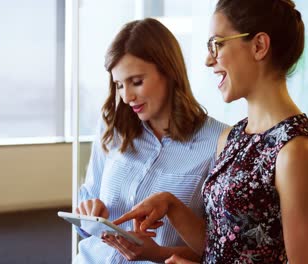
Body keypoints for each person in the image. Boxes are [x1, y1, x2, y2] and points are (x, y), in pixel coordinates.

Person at [111, 0, 308, 263]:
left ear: (259, 46)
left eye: (218, 44)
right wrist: (169, 204)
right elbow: (221, 243)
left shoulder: (295, 150)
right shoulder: (232, 137)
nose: (208, 59)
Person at [74, 18, 227, 264]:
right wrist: (87, 213)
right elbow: (87, 200)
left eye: (136, 82)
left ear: (168, 71)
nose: (126, 97)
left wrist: (157, 254)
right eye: (119, 85)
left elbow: (220, 249)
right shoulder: (112, 128)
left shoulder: (217, 143)